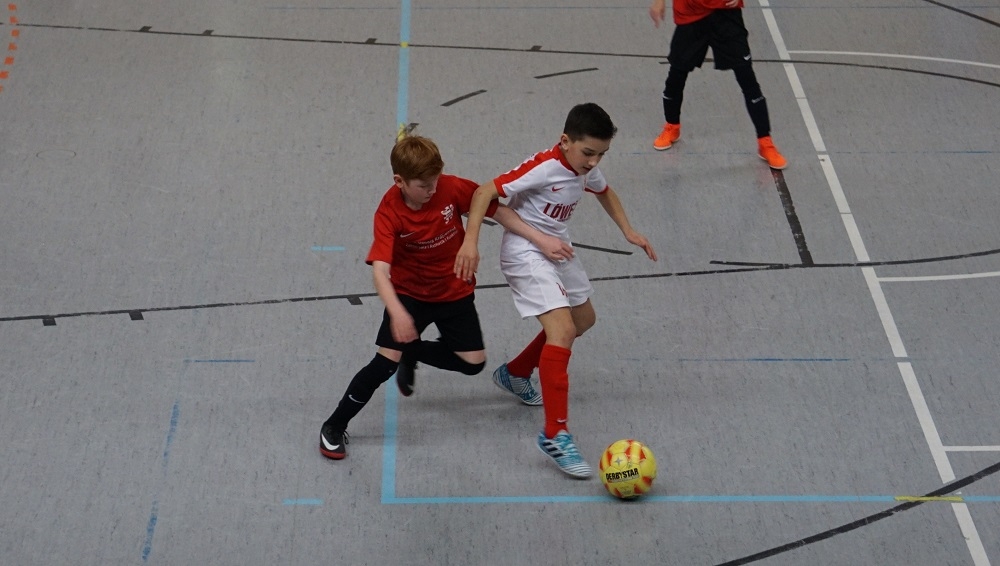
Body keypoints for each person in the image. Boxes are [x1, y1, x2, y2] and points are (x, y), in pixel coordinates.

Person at [319, 135, 555, 460]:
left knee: (473, 364)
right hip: (409, 295)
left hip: (453, 291)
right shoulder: (389, 213)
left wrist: (541, 240)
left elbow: (498, 211)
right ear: (399, 182)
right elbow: (380, 272)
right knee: (384, 364)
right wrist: (397, 313)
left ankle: (411, 352)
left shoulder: (450, 187)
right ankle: (333, 426)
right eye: (424, 185)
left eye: (435, 181)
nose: (432, 190)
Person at [455, 103, 658, 478]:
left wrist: (627, 230)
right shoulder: (545, 167)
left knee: (583, 320)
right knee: (562, 330)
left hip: (557, 248)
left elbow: (604, 191)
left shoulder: (585, 167)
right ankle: (555, 434)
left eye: (601, 155)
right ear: (565, 141)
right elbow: (483, 193)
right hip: (526, 251)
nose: (594, 162)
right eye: (588, 153)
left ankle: (515, 373)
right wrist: (471, 243)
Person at [649, 0, 788, 170]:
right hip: (690, 12)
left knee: (747, 78)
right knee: (676, 75)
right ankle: (672, 126)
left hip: (726, 13)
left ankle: (765, 142)